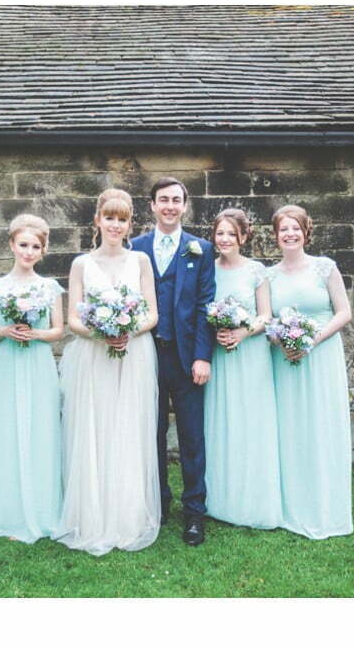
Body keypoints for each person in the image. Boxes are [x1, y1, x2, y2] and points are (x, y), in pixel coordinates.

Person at [54, 188, 160, 556]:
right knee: (95, 426)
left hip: (134, 353)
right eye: (109, 218)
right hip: (94, 355)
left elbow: (152, 313)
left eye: (122, 219)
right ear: (97, 220)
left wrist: (127, 330)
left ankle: (127, 516)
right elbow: (72, 319)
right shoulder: (81, 264)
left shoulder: (141, 261)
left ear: (130, 224)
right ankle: (93, 517)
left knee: (128, 427)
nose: (115, 225)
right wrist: (102, 333)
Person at [132, 177, 216, 546]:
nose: (169, 206)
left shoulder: (201, 249)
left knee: (191, 437)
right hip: (145, 355)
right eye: (163, 199)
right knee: (149, 433)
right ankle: (158, 503)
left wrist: (202, 356)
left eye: (176, 200)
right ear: (152, 205)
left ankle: (194, 511)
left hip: (185, 358)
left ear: (185, 205)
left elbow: (204, 306)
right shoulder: (135, 248)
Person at [267, 205, 353, 539]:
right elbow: (266, 318)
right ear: (275, 235)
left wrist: (311, 340)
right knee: (290, 427)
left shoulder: (325, 267)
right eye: (283, 229)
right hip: (284, 359)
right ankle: (291, 504)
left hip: (321, 356)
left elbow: (343, 312)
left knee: (321, 424)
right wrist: (282, 341)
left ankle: (325, 504)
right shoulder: (268, 276)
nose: (290, 234)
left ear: (305, 232)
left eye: (295, 228)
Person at [0, 214, 64, 544]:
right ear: (11, 245)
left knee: (41, 428)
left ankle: (44, 509)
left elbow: (58, 330)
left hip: (38, 361)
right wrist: (6, 330)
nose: (28, 252)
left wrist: (35, 334)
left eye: (35, 247)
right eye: (23, 245)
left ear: (43, 251)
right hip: (8, 362)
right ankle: (8, 511)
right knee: (6, 429)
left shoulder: (50, 287)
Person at [203, 209, 283, 529]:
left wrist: (242, 332)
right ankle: (221, 500)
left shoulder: (256, 271)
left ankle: (254, 500)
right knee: (222, 420)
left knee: (251, 422)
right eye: (220, 233)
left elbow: (265, 315)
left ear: (244, 237)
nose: (224, 239)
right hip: (219, 357)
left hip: (250, 355)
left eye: (231, 234)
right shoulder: (207, 269)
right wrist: (216, 331)